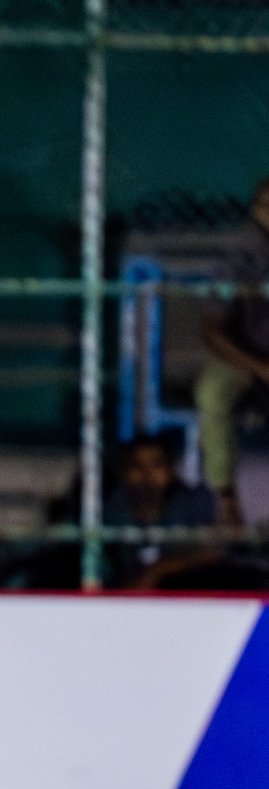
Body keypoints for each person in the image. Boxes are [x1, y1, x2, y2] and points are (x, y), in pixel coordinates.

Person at [195, 177, 269, 526]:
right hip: (245, 355)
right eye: (263, 206)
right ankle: (224, 496)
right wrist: (259, 366)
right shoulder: (238, 256)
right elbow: (212, 331)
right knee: (211, 392)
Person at [104, 435, 223, 589]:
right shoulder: (107, 512)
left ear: (170, 470)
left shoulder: (192, 504)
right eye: (137, 466)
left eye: (156, 465)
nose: (147, 475)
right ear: (123, 472)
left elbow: (216, 552)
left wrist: (160, 570)